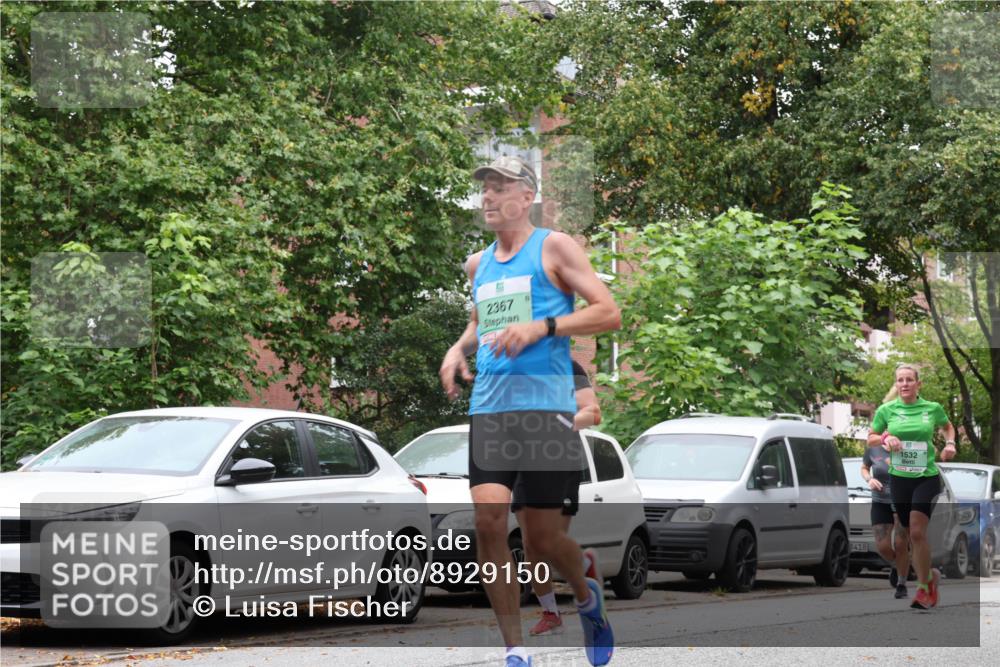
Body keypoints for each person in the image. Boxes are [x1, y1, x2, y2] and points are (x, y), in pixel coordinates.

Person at [440, 155, 621, 667]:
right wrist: (458, 349)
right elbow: (480, 327)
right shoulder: (478, 264)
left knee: (543, 541)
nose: (489, 197)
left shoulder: (554, 246)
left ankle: (586, 595)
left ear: (527, 196)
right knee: (490, 521)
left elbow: (608, 313)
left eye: (500, 187)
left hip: (547, 411)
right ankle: (515, 648)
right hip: (491, 409)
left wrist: (544, 327)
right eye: (484, 188)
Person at [867, 363, 957, 610]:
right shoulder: (887, 410)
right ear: (896, 385)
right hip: (899, 479)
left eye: (909, 380)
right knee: (904, 534)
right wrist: (886, 437)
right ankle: (930, 578)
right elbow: (871, 437)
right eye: (900, 380)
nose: (904, 384)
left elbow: (948, 426)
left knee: (917, 532)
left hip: (925, 477)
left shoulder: (931, 408)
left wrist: (950, 443)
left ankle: (924, 589)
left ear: (918, 384)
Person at [524, 360, 601, 637]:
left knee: (549, 541)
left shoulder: (569, 368)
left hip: (562, 462)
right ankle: (551, 614)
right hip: (524, 463)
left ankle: (582, 567)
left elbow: (592, 413)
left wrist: (561, 421)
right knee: (530, 545)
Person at [860, 442, 909, 598]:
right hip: (880, 502)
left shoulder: (908, 448)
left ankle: (901, 584)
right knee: (882, 546)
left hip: (902, 501)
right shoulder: (873, 449)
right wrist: (869, 479)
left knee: (901, 544)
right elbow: (864, 467)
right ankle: (898, 565)